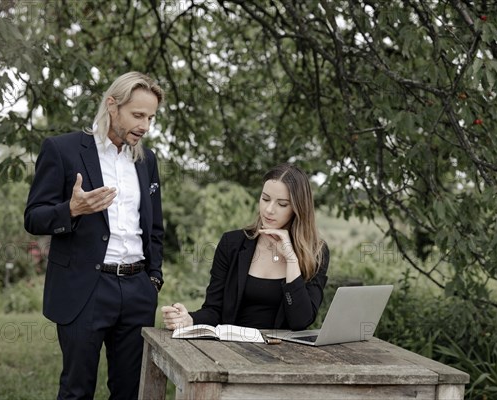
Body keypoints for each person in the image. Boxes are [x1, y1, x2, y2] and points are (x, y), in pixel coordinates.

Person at [24, 71, 165, 399]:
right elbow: (33, 217)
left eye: (151, 117)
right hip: (84, 289)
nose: (145, 126)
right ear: (112, 106)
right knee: (77, 390)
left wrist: (153, 278)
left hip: (137, 291)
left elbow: (154, 225)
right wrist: (71, 210)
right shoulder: (62, 150)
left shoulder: (148, 160)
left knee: (130, 391)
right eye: (138, 115)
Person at [162, 163, 329, 331]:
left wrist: (291, 259)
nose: (269, 209)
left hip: (283, 352)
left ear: (299, 208)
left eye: (282, 204)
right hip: (233, 349)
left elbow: (301, 321)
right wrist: (189, 319)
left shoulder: (316, 252)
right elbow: (214, 310)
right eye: (265, 199)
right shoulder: (232, 243)